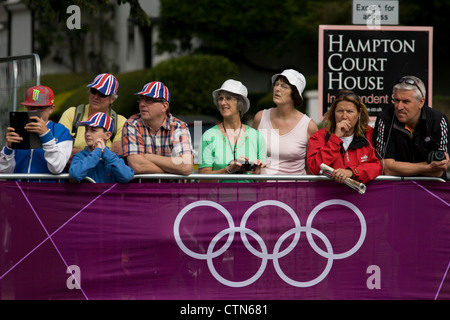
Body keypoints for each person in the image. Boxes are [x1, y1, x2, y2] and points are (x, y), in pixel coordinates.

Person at [372, 76, 450, 180]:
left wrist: (400, 167)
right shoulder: (384, 119)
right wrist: (428, 167)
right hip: (395, 186)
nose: (399, 107)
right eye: (396, 100)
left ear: (421, 102)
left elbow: (438, 171)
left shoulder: (438, 120)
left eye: (406, 101)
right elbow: (386, 167)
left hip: (432, 186)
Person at [307, 90, 382, 184]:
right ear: (333, 113)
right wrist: (335, 138)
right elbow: (314, 168)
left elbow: (378, 166)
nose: (344, 116)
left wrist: (352, 172)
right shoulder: (319, 136)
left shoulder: (370, 134)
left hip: (360, 195)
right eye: (340, 111)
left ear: (359, 113)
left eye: (350, 112)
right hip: (328, 195)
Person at [252, 69, 318, 175]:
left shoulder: (309, 126)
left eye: (284, 86)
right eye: (276, 84)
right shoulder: (260, 117)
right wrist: (254, 170)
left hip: (295, 189)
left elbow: (312, 168)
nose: (277, 89)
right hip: (263, 189)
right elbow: (249, 155)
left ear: (294, 93)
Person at [199, 79, 266, 182]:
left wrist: (257, 174)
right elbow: (203, 179)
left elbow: (263, 182)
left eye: (228, 98)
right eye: (220, 98)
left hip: (250, 197)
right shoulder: (208, 136)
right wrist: (228, 169)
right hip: (218, 197)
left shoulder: (256, 136)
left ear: (240, 103)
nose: (223, 102)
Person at [122, 81, 194, 175]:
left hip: (172, 190)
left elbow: (186, 166)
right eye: (141, 99)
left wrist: (149, 157)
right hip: (143, 189)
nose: (142, 104)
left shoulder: (179, 127)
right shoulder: (132, 124)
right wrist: (172, 171)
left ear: (164, 106)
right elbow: (137, 166)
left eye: (149, 100)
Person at [0, 85, 72, 176]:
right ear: (26, 107)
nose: (35, 112)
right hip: (19, 189)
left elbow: (57, 167)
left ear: (51, 108)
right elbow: (4, 171)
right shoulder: (19, 128)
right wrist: (8, 148)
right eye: (31, 108)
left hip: (46, 189)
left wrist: (46, 136)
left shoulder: (62, 131)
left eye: (41, 108)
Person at [59, 73, 127, 158]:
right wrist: (101, 153)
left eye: (102, 94)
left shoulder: (120, 122)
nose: (96, 97)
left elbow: (116, 155)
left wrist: (76, 152)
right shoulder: (71, 114)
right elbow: (59, 151)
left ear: (112, 99)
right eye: (94, 91)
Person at [69, 112, 134, 183]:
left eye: (93, 130)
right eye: (86, 129)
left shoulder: (113, 158)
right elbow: (75, 174)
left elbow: (127, 176)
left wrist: (105, 152)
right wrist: (97, 152)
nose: (87, 133)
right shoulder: (80, 156)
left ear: (107, 135)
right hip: (89, 194)